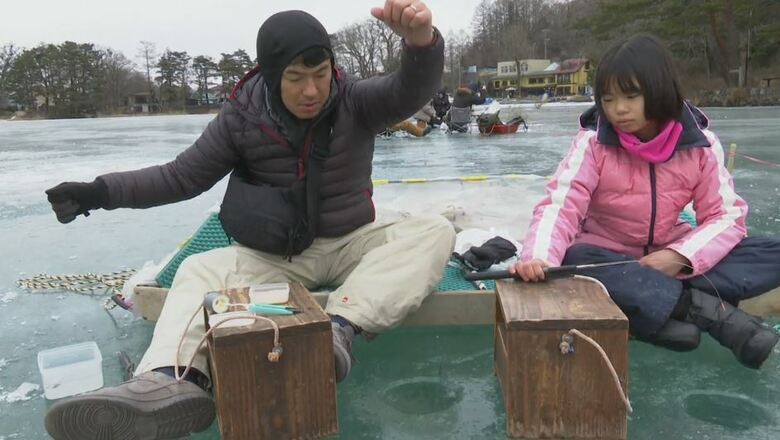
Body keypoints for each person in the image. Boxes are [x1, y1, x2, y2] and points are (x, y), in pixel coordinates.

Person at [43, 3, 455, 439]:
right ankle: (170, 379)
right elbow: (180, 177)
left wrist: (421, 42)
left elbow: (412, 87)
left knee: (433, 230)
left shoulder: (356, 101)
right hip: (275, 258)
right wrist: (100, 192)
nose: (312, 90)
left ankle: (338, 330)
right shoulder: (242, 118)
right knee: (198, 269)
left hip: (351, 243)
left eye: (320, 73)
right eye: (296, 78)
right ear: (272, 74)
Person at [511, 34, 780, 368]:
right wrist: (538, 257)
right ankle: (707, 312)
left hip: (672, 255)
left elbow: (726, 217)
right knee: (577, 261)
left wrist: (679, 257)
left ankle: (657, 309)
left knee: (771, 253)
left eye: (631, 95)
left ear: (659, 89)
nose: (618, 109)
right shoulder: (593, 144)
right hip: (609, 257)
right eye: (608, 99)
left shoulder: (700, 145)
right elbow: (561, 205)